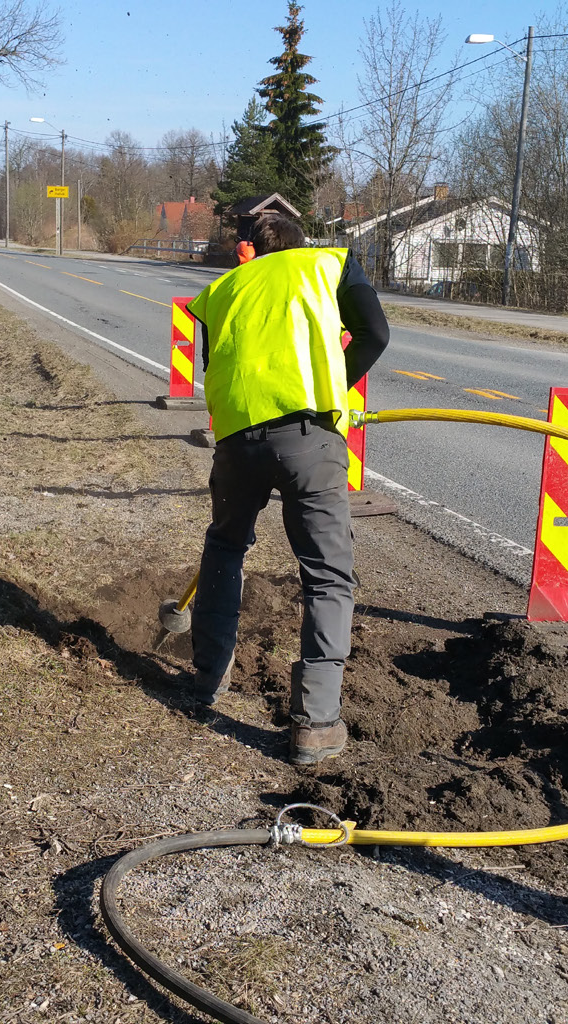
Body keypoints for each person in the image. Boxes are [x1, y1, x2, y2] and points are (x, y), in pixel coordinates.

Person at [184, 214, 389, 765]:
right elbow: (376, 334)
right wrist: (330, 385)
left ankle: (207, 678)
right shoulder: (331, 263)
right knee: (326, 572)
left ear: (250, 248)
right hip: (308, 439)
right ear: (300, 242)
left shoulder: (222, 289)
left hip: (236, 442)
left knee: (225, 546)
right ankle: (316, 724)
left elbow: (215, 365)